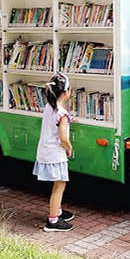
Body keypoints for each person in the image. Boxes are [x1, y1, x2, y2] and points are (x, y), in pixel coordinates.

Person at [33, 72, 75, 232]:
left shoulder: (49, 108)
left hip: (45, 151)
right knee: (59, 186)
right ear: (66, 92)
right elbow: (63, 137)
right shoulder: (62, 114)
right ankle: (53, 220)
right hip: (55, 154)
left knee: (57, 185)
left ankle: (56, 211)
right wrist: (69, 148)